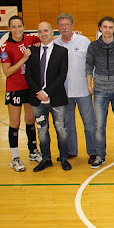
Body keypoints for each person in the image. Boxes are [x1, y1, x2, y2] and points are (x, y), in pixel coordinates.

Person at [24, 21, 71, 172]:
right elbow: (29, 75)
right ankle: (46, 158)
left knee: (61, 129)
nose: (43, 34)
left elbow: (61, 75)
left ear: (52, 32)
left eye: (46, 30)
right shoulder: (32, 52)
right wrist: (39, 92)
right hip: (37, 100)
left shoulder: (61, 51)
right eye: (40, 31)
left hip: (56, 98)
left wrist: (47, 92)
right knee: (42, 130)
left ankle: (64, 157)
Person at [85, 16, 114, 169]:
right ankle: (100, 155)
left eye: (110, 27)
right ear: (100, 28)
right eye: (105, 27)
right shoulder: (93, 46)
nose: (108, 30)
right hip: (100, 91)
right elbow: (88, 66)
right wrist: (89, 85)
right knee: (99, 126)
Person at [0, 15, 41, 172]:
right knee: (15, 123)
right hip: (14, 88)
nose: (17, 30)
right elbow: (7, 72)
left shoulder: (29, 39)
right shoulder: (5, 47)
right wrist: (24, 59)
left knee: (30, 119)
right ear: (9, 29)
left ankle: (33, 151)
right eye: (13, 27)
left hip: (29, 87)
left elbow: (46, 37)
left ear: (24, 27)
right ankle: (15, 158)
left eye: (19, 26)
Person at [55, 13, 97, 164]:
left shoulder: (84, 41)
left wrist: (91, 84)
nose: (64, 27)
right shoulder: (56, 44)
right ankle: (71, 150)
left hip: (83, 90)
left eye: (67, 24)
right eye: (61, 25)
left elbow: (91, 63)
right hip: (64, 92)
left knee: (89, 123)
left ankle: (93, 152)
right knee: (68, 124)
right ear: (58, 27)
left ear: (72, 26)